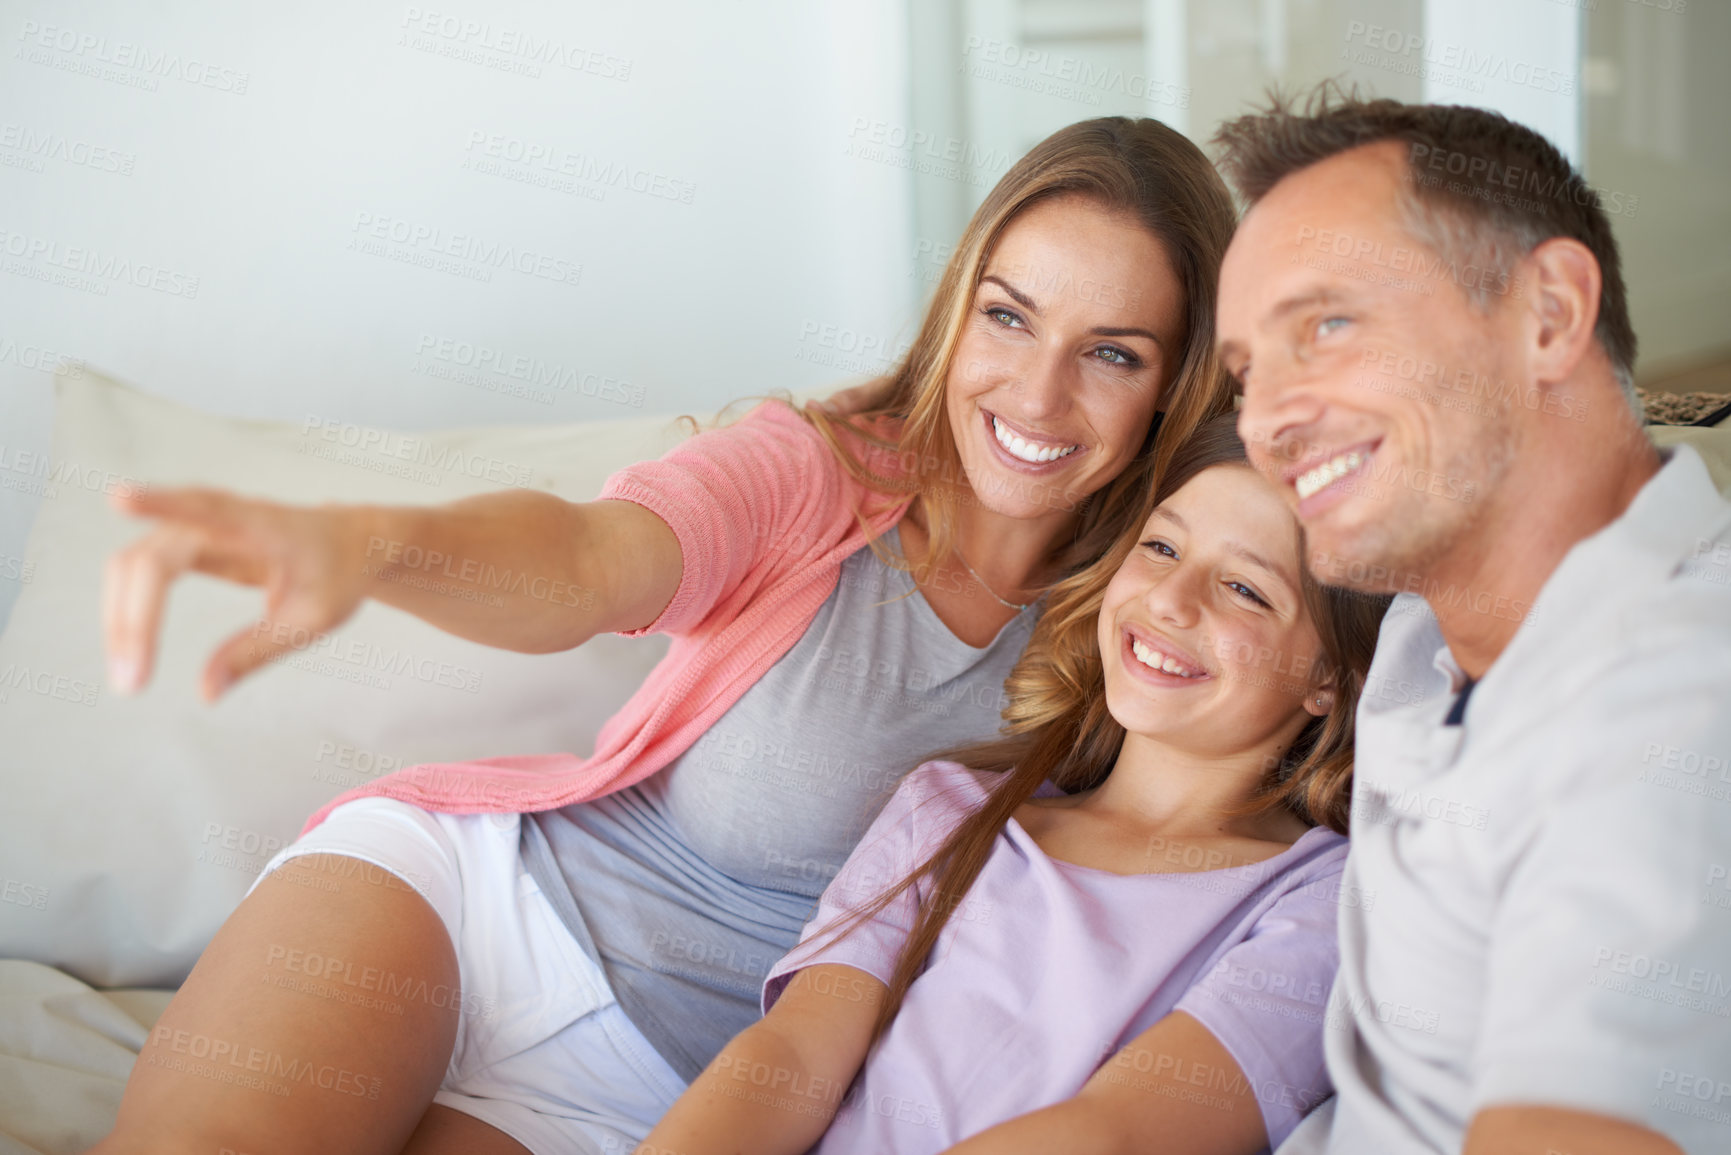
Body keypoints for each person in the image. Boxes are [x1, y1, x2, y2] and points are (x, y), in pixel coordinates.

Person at [91, 116, 1239, 1155]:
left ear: (1175, 389)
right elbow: (592, 560)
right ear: (960, 311)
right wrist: (380, 544)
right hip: (476, 909)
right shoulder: (820, 472)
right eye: (1009, 316)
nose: (1037, 396)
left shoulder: (1161, 628)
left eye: (1111, 353)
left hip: (678, 1090)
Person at [639, 416, 1388, 1155]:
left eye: (1244, 589)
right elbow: (793, 1056)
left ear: (1330, 677)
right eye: (1160, 547)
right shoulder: (947, 809)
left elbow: (1114, 1134)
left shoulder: (1323, 901)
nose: (1169, 599)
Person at [1213, 87, 1731, 1155]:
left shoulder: (1673, 703)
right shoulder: (1437, 611)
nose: (1264, 419)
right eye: (1247, 371)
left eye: (1329, 323)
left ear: (1547, 315)